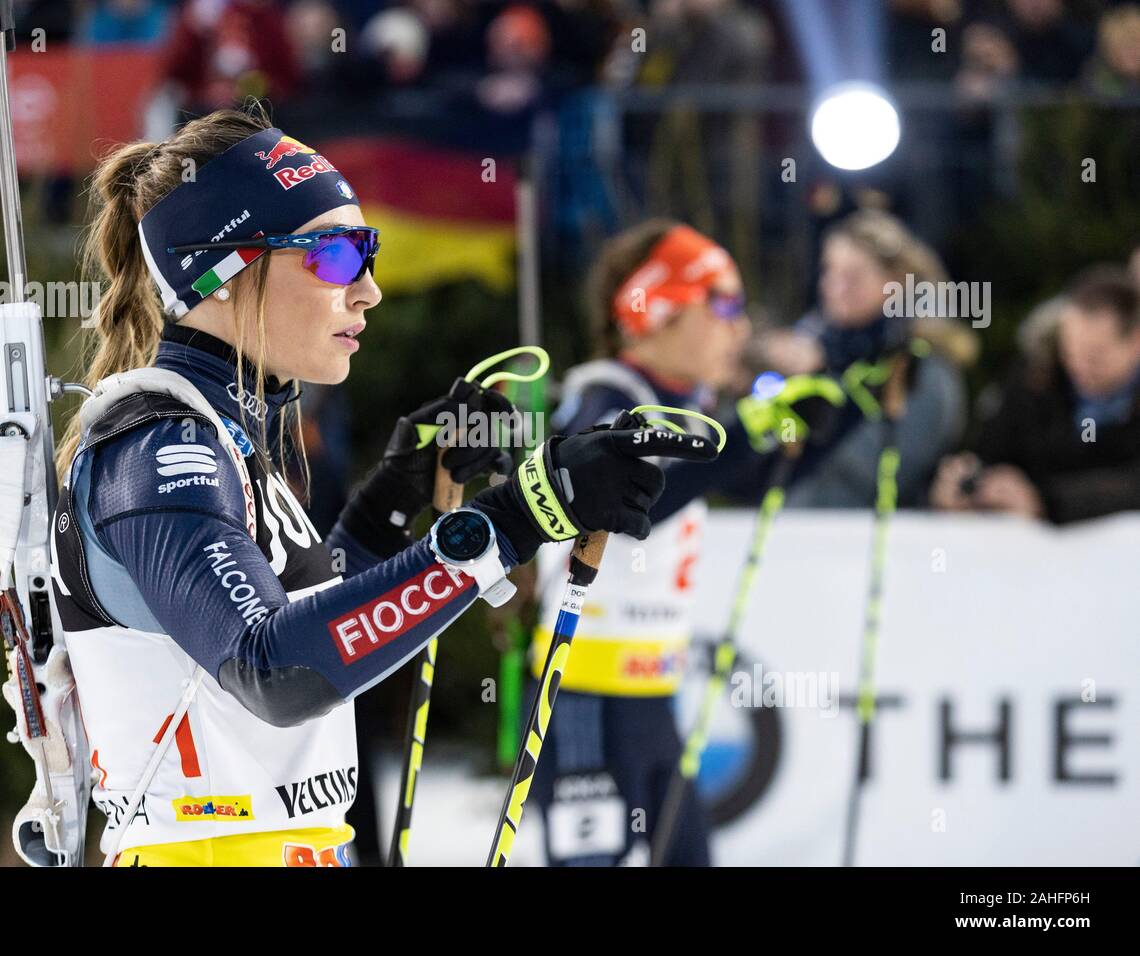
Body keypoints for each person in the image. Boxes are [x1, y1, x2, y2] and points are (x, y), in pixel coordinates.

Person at [49, 106, 710, 867]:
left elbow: (309, 622)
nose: (367, 290)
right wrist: (522, 515)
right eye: (334, 257)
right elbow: (274, 670)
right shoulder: (160, 444)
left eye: (368, 252)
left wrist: (388, 502)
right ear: (223, 270)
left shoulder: (226, 435)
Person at [530, 219, 750, 867]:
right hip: (585, 704)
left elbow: (736, 468)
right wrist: (747, 440)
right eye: (722, 302)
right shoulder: (608, 401)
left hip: (650, 697)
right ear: (655, 312)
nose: (737, 325)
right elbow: (638, 502)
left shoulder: (681, 405)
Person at [746, 210, 975, 508]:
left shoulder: (926, 371)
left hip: (875, 540)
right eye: (829, 270)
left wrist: (813, 385)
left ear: (896, 282)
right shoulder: (819, 348)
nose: (835, 287)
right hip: (791, 536)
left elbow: (873, 472)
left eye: (854, 276)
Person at [931, 266, 1140, 523]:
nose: (1078, 368)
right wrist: (968, 481)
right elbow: (990, 448)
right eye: (1070, 353)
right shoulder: (1036, 377)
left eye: (1095, 357)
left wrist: (1044, 501)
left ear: (1135, 343)